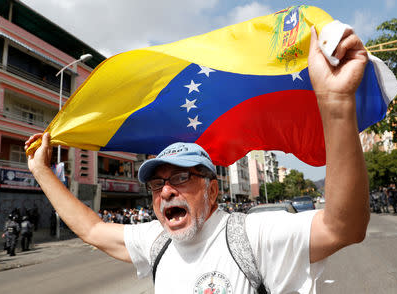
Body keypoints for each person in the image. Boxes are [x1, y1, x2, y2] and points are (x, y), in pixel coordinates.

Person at [25, 26, 370, 293]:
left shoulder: (251, 235)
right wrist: (41, 170)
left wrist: (337, 104)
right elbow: (93, 229)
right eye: (158, 183)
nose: (166, 192)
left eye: (180, 178)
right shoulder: (157, 241)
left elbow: (343, 227)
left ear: (212, 190)